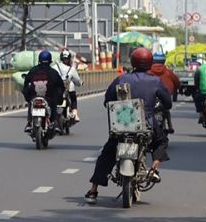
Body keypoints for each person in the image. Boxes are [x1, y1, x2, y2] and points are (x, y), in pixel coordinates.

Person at [84, 47, 172, 204]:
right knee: (161, 141)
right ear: (150, 63)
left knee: (107, 153)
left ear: (132, 62)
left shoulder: (121, 79)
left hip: (122, 125)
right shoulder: (155, 81)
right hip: (147, 125)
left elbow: (107, 100)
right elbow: (168, 103)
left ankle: (93, 190)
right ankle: (154, 169)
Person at [22, 49, 66, 131]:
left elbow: (26, 83)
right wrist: (59, 98)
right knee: (54, 104)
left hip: (35, 95)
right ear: (50, 60)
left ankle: (29, 123)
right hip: (49, 97)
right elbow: (60, 85)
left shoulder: (33, 70)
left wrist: (28, 97)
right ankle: (54, 123)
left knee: (31, 103)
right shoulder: (53, 72)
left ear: (39, 60)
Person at [148, 51, 179, 133]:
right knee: (166, 110)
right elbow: (176, 82)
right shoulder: (169, 72)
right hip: (166, 95)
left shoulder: (148, 72)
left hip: (151, 95)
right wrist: (176, 89)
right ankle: (170, 126)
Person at [53, 48, 82, 122]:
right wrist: (80, 83)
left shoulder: (55, 67)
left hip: (57, 89)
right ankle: (75, 114)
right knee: (73, 99)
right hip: (69, 89)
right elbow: (77, 80)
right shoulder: (71, 69)